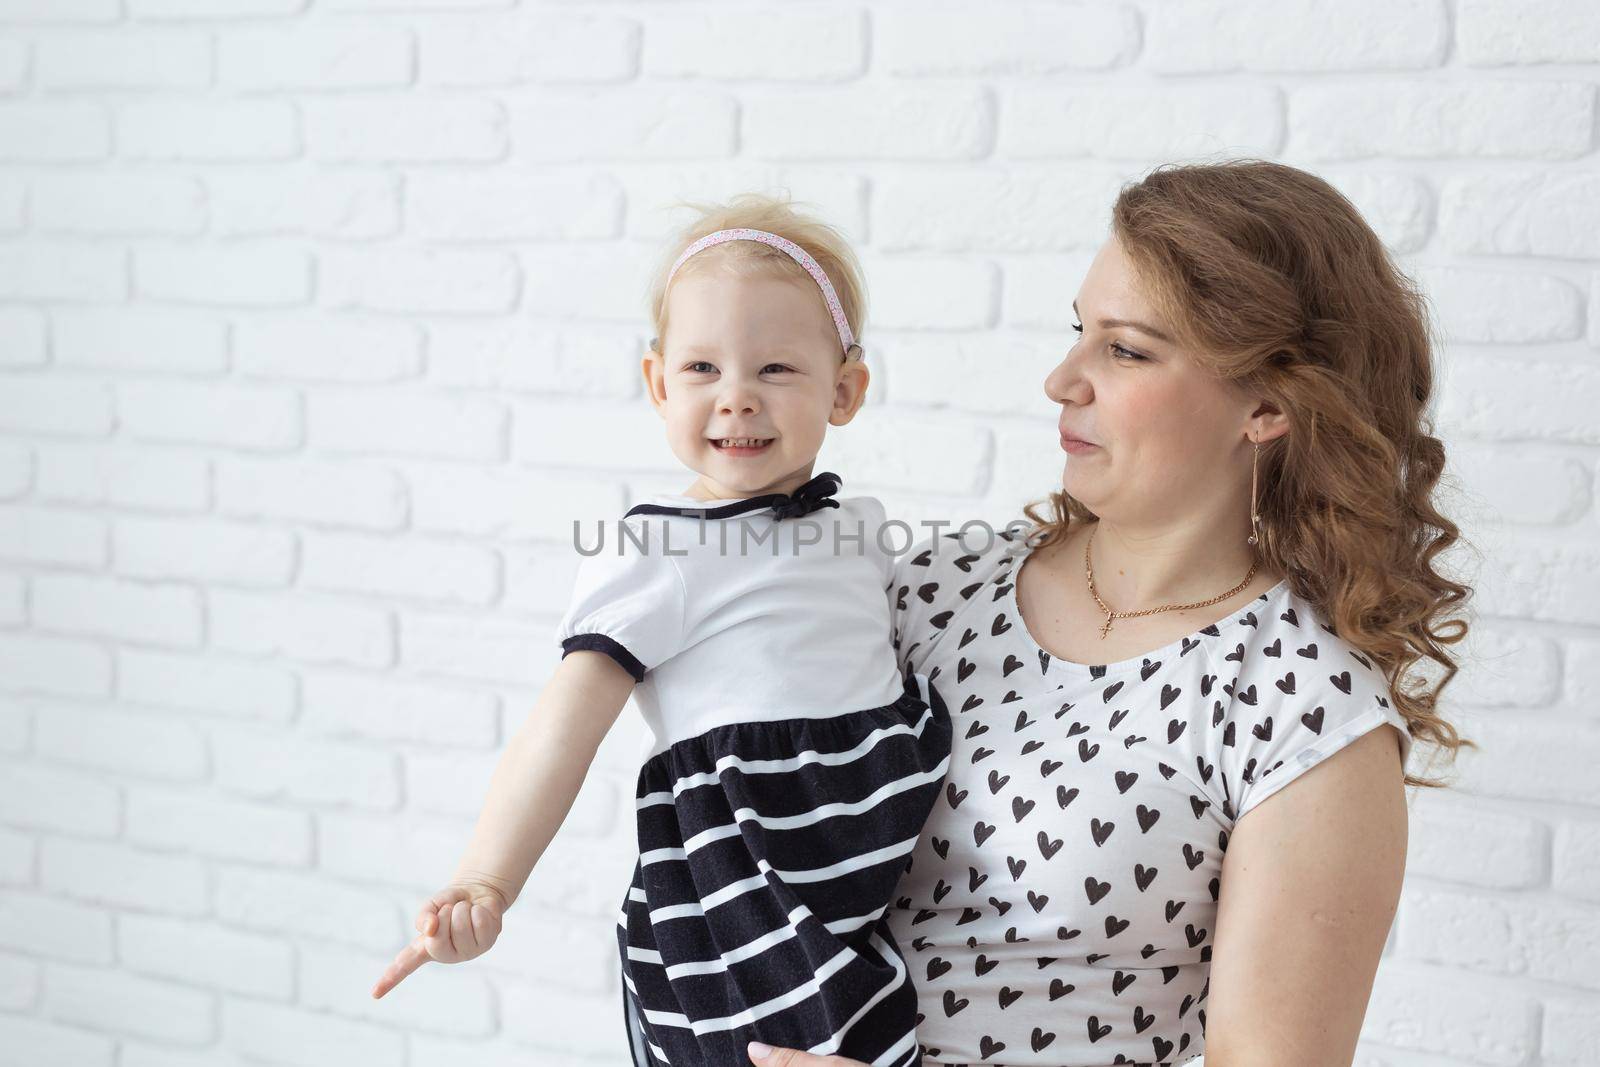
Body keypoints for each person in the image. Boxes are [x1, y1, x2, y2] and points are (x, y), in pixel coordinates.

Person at [745, 160, 1475, 1066]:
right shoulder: (934, 591)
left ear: (1267, 406)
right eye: (1078, 333)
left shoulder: (1303, 712)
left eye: (1124, 349)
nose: (1061, 379)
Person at [368, 193, 952, 1067]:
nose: (738, 399)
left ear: (846, 390)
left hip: (856, 881)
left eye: (777, 370)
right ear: (657, 385)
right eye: (703, 369)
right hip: (740, 883)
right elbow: (561, 730)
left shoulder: (857, 531)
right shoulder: (655, 551)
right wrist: (488, 878)